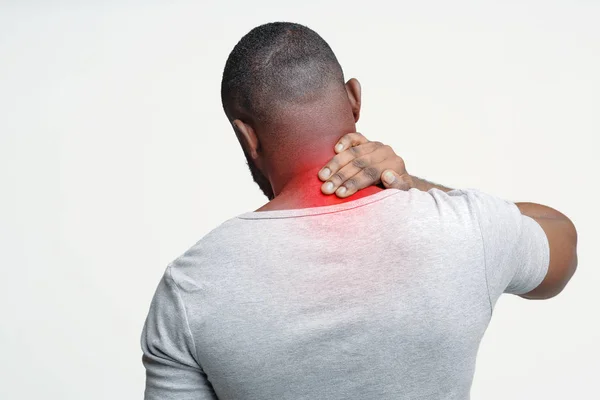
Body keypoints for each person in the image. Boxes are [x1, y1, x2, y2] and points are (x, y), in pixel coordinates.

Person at [140, 22, 578, 399]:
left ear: (246, 136)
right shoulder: (465, 229)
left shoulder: (191, 287)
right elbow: (560, 238)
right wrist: (414, 186)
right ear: (354, 99)